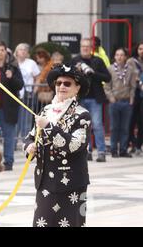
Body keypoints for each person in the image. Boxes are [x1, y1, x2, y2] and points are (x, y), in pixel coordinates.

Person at [24, 64, 91, 227]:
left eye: (67, 83)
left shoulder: (82, 115)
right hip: (45, 181)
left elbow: (74, 145)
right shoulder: (46, 111)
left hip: (71, 183)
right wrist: (29, 147)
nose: (61, 86)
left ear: (77, 88)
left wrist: (48, 127)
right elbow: (30, 137)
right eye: (58, 83)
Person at [71, 38, 111, 162]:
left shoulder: (97, 61)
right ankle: (86, 151)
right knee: (82, 126)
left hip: (95, 98)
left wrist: (94, 73)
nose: (85, 48)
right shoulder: (75, 60)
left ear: (91, 48)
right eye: (83, 46)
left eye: (87, 46)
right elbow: (68, 77)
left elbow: (108, 77)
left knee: (97, 125)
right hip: (80, 98)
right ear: (80, 47)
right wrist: (76, 72)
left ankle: (101, 152)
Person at [0, 41, 24, 171]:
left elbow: (20, 85)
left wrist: (11, 77)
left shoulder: (12, 67)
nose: (0, 53)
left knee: (9, 136)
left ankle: (8, 162)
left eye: (2, 50)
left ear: (6, 52)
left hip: (8, 109)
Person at [103, 48, 136, 158]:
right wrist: (111, 98)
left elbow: (132, 86)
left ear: (125, 57)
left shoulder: (131, 70)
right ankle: (113, 150)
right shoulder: (110, 69)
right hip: (114, 102)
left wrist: (131, 98)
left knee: (125, 128)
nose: (120, 57)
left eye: (122, 55)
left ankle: (123, 149)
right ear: (115, 57)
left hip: (126, 102)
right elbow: (107, 86)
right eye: (117, 55)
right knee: (114, 127)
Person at [15, 43, 40, 147]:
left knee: (26, 120)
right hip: (15, 94)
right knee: (15, 120)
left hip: (27, 95)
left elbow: (38, 78)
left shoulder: (31, 63)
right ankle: (14, 144)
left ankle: (26, 144)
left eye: (25, 50)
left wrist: (34, 90)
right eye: (21, 49)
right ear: (16, 51)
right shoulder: (13, 62)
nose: (23, 51)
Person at [129, 42, 143, 155]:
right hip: (134, 93)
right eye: (140, 49)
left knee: (142, 121)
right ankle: (132, 144)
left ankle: (139, 145)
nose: (142, 51)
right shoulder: (131, 62)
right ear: (136, 50)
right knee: (131, 121)